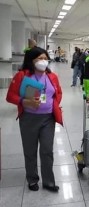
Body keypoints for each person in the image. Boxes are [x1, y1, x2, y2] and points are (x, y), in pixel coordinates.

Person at [6, 47, 63, 192]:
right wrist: (24, 102)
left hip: (48, 119)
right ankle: (32, 179)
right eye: (39, 59)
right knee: (30, 150)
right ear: (31, 61)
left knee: (47, 151)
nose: (43, 62)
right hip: (29, 118)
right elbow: (10, 96)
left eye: (45, 58)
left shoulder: (52, 76)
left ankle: (49, 182)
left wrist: (54, 104)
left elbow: (58, 93)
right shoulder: (22, 76)